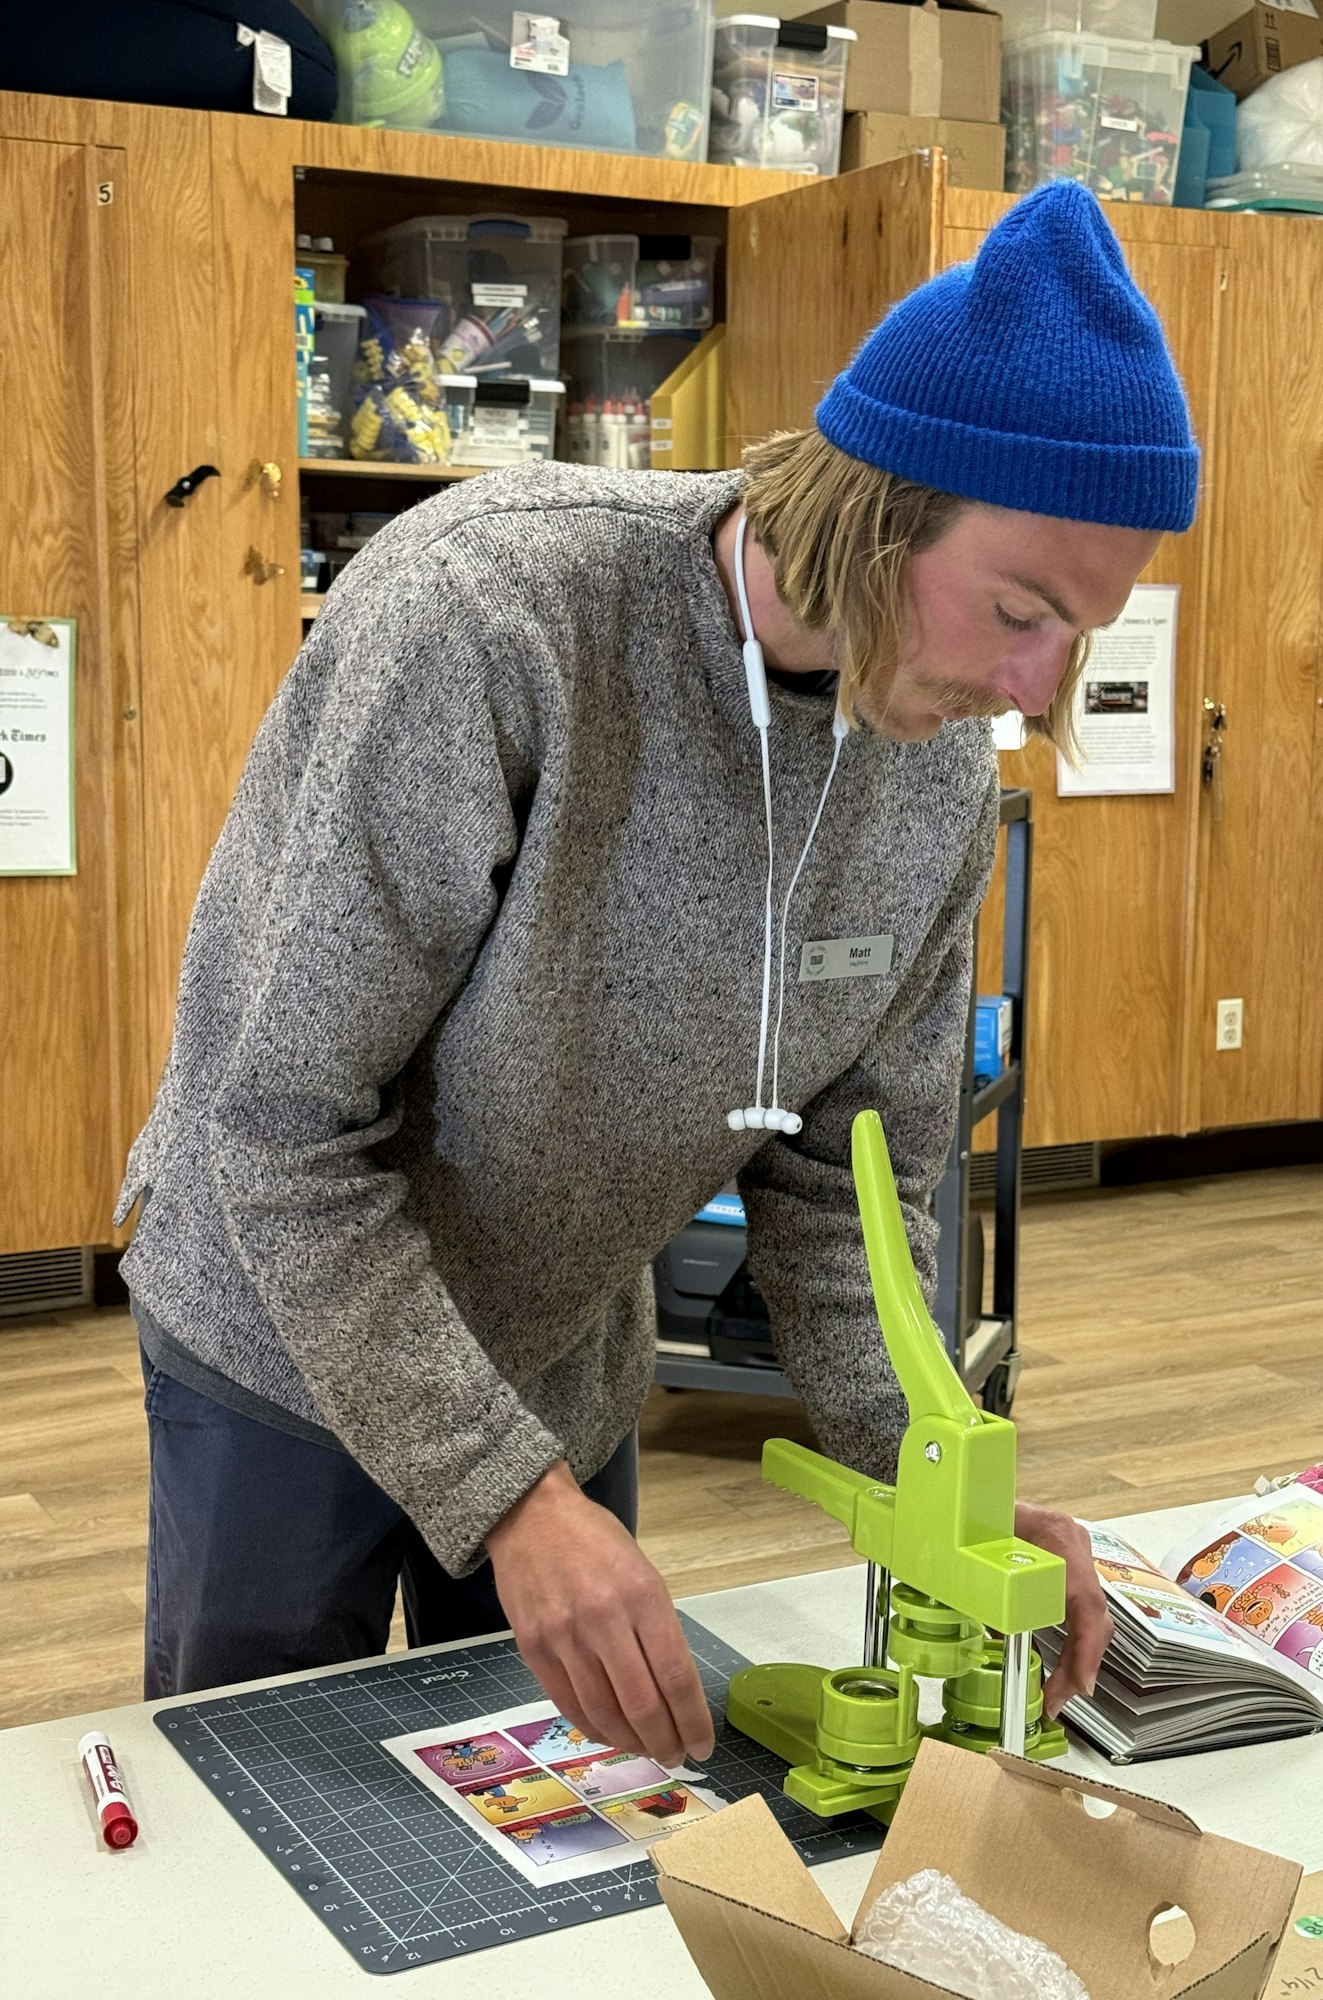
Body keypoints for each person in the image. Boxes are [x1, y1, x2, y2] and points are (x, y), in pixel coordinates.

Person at [115, 182, 1197, 1764]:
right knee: (268, 1824)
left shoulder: (937, 769)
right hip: (282, 1343)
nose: (1035, 696)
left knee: (579, 1832)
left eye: (1081, 636)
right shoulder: (491, 617)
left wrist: (932, 1471)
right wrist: (508, 1500)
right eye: (1022, 613)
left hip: (559, 1344)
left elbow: (851, 1186)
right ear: (881, 511)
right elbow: (282, 1132)